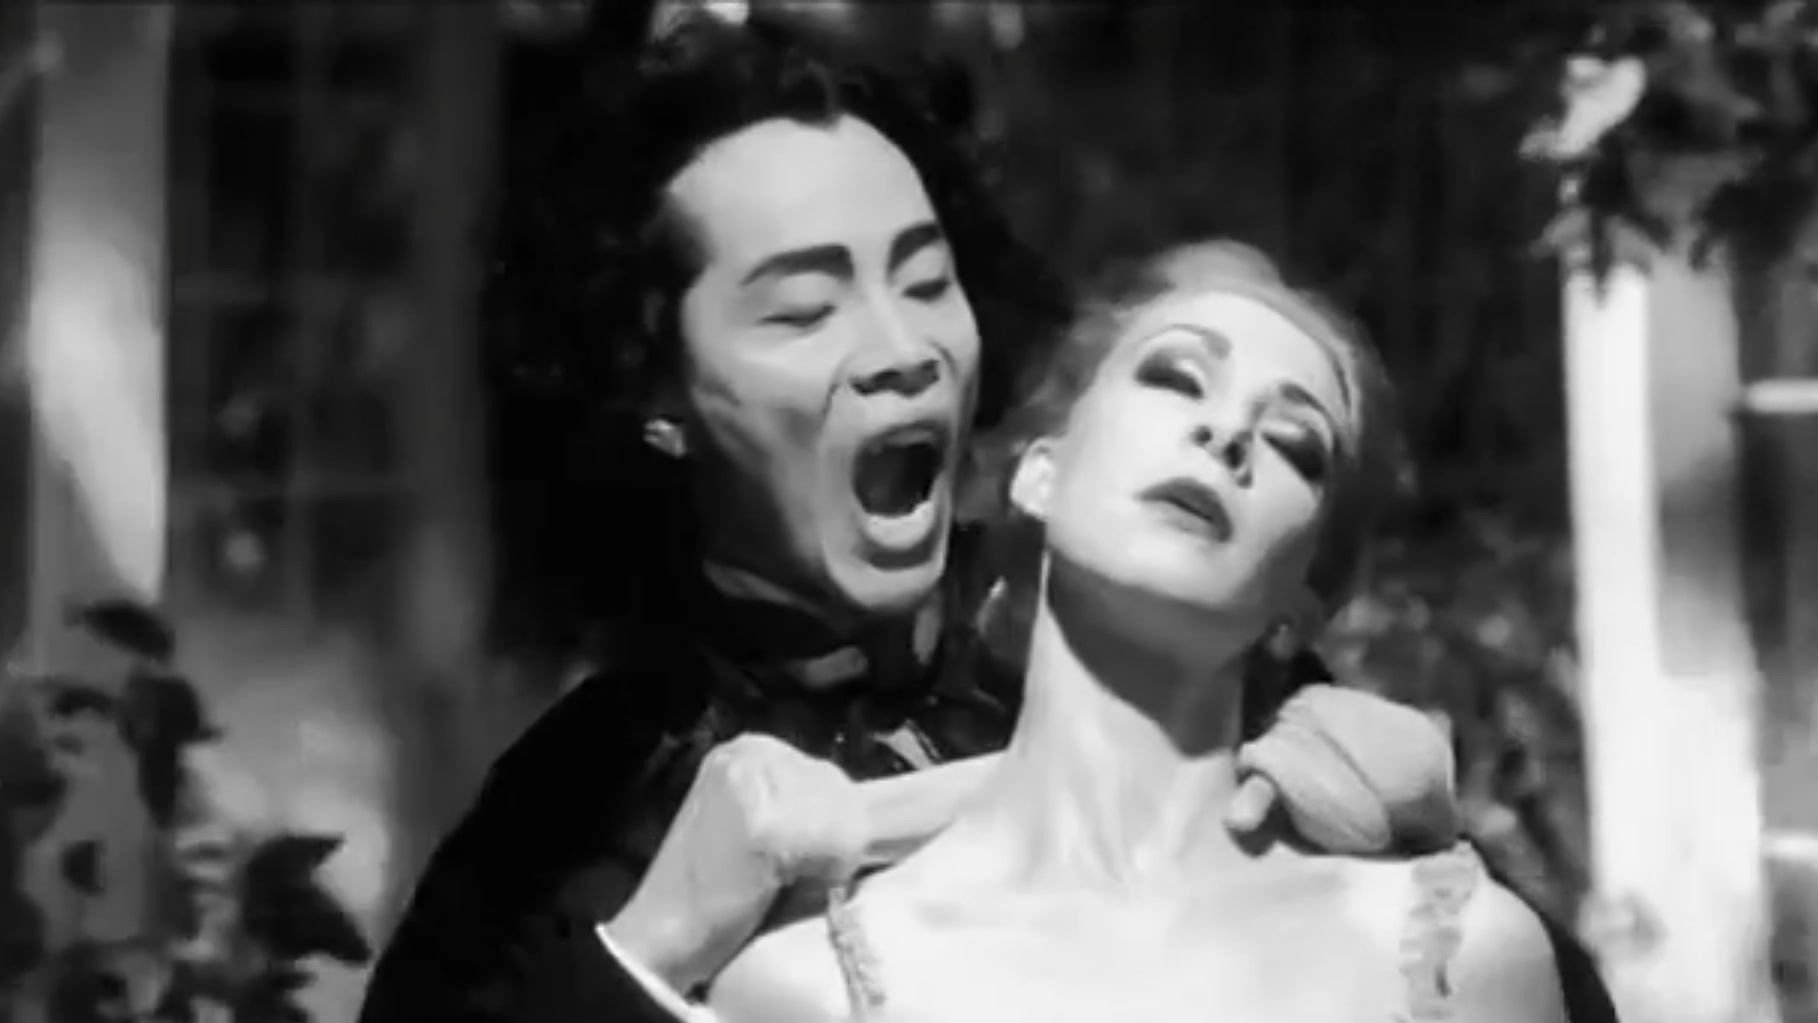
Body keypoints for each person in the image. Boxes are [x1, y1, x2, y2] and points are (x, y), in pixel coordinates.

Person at [357, 11, 1464, 1023]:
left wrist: (1390, 809)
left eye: (929, 283)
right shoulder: (570, 817)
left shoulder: (1115, 619)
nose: (902, 349)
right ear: (657, 394)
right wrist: (654, 945)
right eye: (805, 310)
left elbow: (1464, 960)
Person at [706, 242, 1610, 1023]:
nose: (1228, 431)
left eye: (1295, 443)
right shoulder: (806, 987)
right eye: (1176, 378)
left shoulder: (1455, 951)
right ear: (1040, 474)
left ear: (1300, 605)